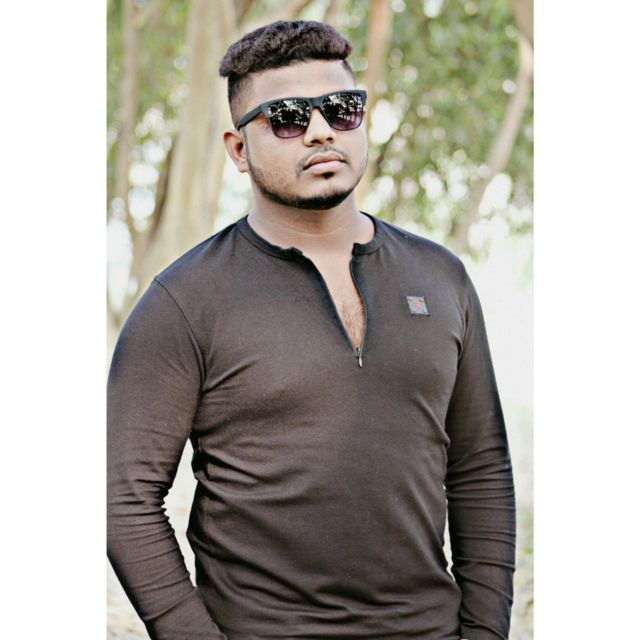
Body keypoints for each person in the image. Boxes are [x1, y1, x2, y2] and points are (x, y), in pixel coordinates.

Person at [107, 20, 516, 640]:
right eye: (288, 117)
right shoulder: (184, 301)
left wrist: (484, 631)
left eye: (342, 109)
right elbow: (123, 498)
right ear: (238, 149)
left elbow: (480, 468)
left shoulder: (441, 278)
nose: (322, 130)